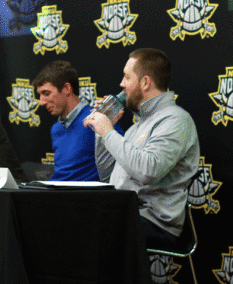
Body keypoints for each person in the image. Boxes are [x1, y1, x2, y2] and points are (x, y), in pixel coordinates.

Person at [84, 48, 200, 249]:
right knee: (74, 219)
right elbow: (106, 175)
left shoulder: (176, 120)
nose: (121, 84)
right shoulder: (137, 126)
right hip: (125, 213)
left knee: (88, 228)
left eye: (127, 77)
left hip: (155, 222)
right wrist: (101, 131)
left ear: (145, 82)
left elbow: (148, 171)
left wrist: (109, 132)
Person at [32, 60, 124, 181]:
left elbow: (124, 162)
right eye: (40, 95)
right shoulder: (56, 129)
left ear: (66, 89)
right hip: (55, 195)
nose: (42, 102)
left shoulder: (98, 119)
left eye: (46, 93)